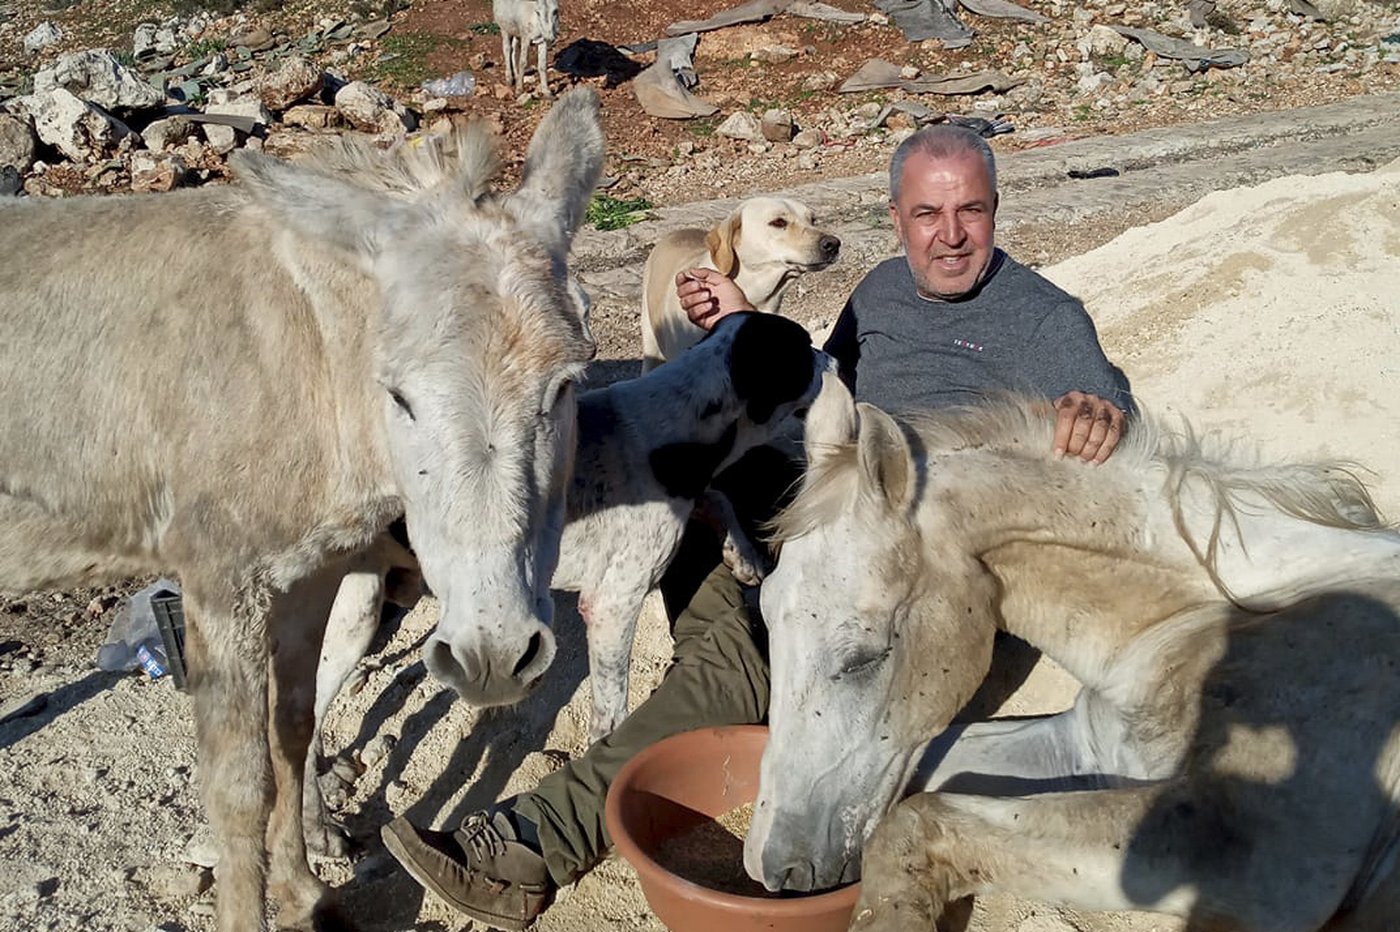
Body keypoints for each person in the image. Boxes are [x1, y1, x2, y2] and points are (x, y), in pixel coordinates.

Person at [379, 125, 1133, 931]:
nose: (949, 235)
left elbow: (1116, 436)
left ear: (995, 209)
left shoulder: (1049, 320)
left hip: (922, 573)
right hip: (833, 513)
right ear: (897, 215)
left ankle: (533, 846)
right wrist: (739, 323)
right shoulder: (880, 290)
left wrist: (1099, 421)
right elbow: (814, 390)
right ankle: (723, 685)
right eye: (926, 214)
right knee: (675, 464)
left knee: (747, 652)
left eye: (970, 211)